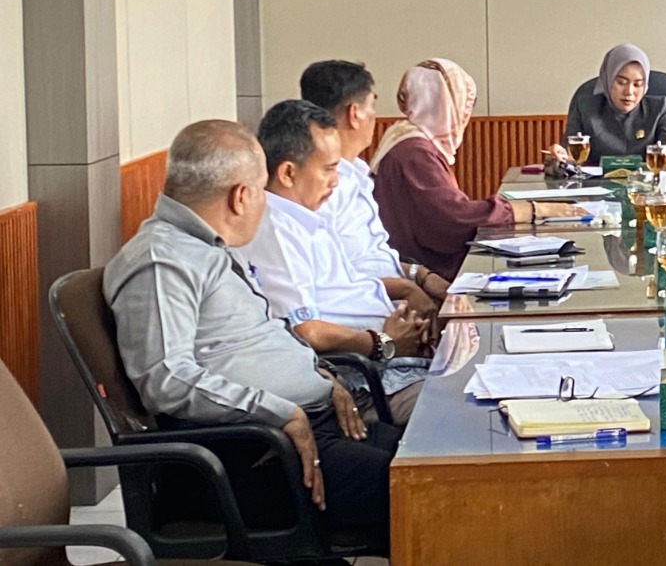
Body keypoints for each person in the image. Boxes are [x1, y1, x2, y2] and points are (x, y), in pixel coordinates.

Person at [103, 120, 397, 552]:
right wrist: (281, 412)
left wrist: (321, 374)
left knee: (445, 463)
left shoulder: (206, 248)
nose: (266, 205)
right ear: (241, 196)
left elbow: (256, 340)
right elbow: (166, 379)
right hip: (254, 455)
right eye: (262, 191)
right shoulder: (162, 261)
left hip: (305, 429)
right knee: (434, 490)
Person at [237, 100, 432, 425]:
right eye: (328, 169)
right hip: (365, 379)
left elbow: (343, 289)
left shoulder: (306, 218)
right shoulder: (276, 231)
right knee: (464, 409)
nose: (336, 181)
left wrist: (406, 298)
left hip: (388, 358)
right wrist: (384, 343)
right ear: (288, 173)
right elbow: (305, 330)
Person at [371, 58, 578, 279]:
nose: (465, 116)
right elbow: (454, 218)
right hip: (429, 273)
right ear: (445, 105)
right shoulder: (415, 151)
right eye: (464, 105)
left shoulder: (405, 136)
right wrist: (534, 210)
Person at [300, 59, 449, 303]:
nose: (375, 117)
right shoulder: (323, 188)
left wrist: (419, 275)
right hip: (367, 313)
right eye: (372, 106)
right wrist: (407, 290)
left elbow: (371, 256)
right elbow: (335, 280)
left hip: (392, 299)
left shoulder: (356, 172)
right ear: (354, 114)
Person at [556, 44, 666, 166]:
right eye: (621, 82)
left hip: (647, 184)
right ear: (608, 80)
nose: (629, 92)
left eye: (638, 84)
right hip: (595, 184)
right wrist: (559, 157)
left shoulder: (659, 109)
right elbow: (567, 155)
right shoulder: (584, 108)